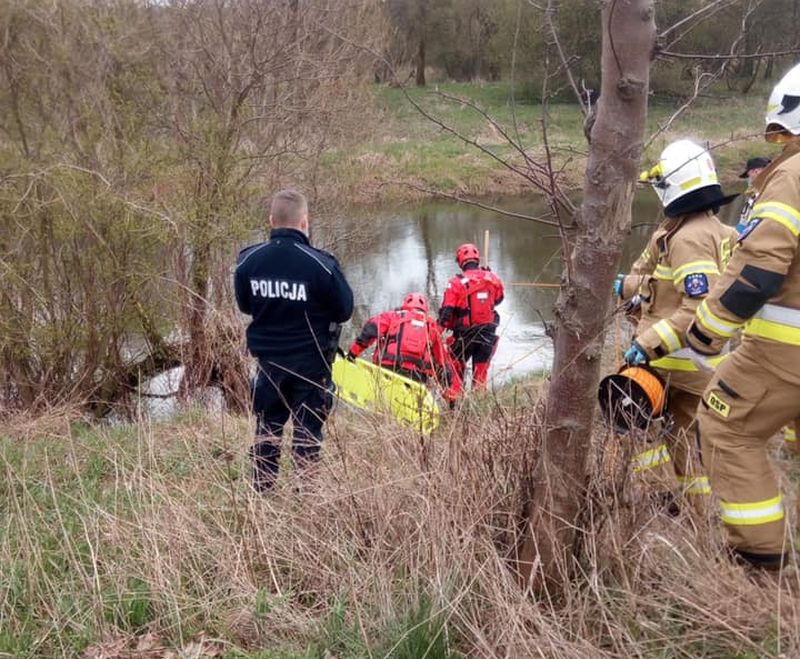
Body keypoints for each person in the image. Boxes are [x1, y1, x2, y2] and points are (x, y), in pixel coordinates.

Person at [684, 63, 800, 570]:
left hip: (784, 353)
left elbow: (761, 269)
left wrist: (707, 331)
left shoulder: (793, 177)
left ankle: (761, 562)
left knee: (726, 425)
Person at [615, 139, 738, 508]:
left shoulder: (689, 238)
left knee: (638, 432)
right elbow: (666, 289)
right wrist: (634, 290)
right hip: (699, 364)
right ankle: (695, 516)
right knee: (686, 442)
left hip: (669, 364)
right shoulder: (713, 230)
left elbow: (698, 308)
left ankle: (654, 503)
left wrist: (645, 346)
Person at [234, 189, 354, 492]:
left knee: (267, 428)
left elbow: (246, 305)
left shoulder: (249, 261)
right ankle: (305, 498)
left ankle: (262, 492)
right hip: (311, 366)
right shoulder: (322, 265)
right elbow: (344, 311)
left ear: (271, 221)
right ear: (305, 222)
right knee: (307, 433)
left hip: (268, 365)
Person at [438, 243, 505, 401]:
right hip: (488, 334)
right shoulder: (492, 278)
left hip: (464, 336)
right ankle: (479, 410)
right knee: (480, 378)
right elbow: (499, 299)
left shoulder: (455, 283)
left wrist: (434, 333)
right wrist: (488, 281)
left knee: (454, 371)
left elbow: (446, 312)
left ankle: (455, 410)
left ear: (460, 261)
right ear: (477, 259)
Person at [347, 292, 451, 388]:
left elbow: (370, 331)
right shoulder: (432, 326)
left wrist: (352, 354)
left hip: (389, 369)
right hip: (418, 376)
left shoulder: (392, 316)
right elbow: (443, 362)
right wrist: (450, 398)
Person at [735, 156, 772, 233]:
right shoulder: (753, 196)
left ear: (756, 172)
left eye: (749, 175)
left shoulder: (767, 195)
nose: (749, 178)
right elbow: (743, 223)